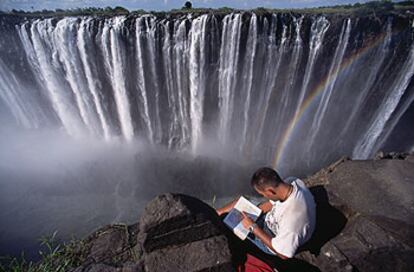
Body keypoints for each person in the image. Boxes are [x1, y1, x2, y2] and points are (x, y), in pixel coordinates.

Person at [216, 167, 316, 260]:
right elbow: (271, 203)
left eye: (262, 194)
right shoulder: (292, 182)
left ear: (270, 191)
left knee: (229, 223)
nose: (263, 196)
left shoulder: (293, 220)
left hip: (272, 237)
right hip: (272, 218)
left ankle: (219, 218)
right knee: (239, 203)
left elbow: (284, 254)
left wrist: (253, 227)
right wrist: (253, 211)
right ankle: (217, 213)